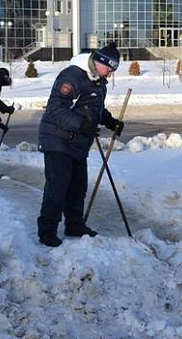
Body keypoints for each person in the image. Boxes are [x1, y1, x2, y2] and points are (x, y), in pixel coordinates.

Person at [37, 42, 125, 247]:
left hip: (77, 143)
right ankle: (47, 231)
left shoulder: (99, 82)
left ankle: (74, 225)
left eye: (113, 70)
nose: (110, 74)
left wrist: (109, 121)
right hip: (57, 139)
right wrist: (82, 125)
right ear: (98, 61)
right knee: (57, 186)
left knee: (77, 187)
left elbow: (94, 109)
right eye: (109, 68)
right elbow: (55, 110)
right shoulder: (73, 76)